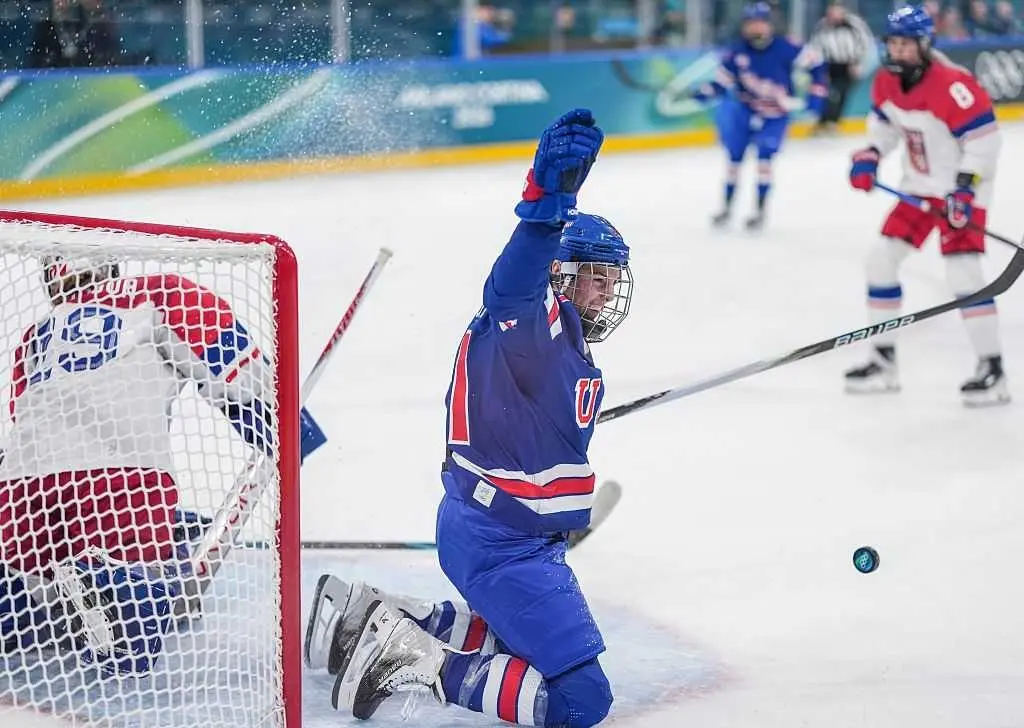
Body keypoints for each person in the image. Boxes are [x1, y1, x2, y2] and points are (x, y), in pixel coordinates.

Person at [304, 109, 632, 727]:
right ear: (559, 275)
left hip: (496, 532)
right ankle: (413, 657)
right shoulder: (530, 323)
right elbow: (508, 288)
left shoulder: (557, 343)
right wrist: (546, 204)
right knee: (580, 701)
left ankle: (369, 615)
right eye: (595, 278)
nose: (606, 294)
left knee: (516, 646)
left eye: (612, 281)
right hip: (500, 543)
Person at [0, 255, 324, 675]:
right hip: (120, 484)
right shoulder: (159, 294)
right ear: (109, 266)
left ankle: (35, 598)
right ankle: (114, 589)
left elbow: (19, 420)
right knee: (137, 638)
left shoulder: (33, 337)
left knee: (20, 606)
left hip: (22, 493)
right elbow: (233, 368)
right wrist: (291, 431)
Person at [844, 5, 1007, 406]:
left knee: (964, 275)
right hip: (917, 189)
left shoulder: (952, 85)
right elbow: (884, 126)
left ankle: (993, 370)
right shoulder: (885, 81)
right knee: (880, 260)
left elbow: (985, 141)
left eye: (905, 44)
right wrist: (871, 154)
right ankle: (883, 362)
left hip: (959, 191)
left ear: (924, 43)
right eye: (893, 43)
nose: (897, 51)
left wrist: (965, 189)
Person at [692, 1, 828, 230]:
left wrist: (816, 96)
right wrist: (705, 93)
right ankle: (726, 208)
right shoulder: (737, 52)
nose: (756, 29)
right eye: (751, 24)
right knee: (734, 160)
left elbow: (817, 66)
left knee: (765, 161)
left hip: (775, 114)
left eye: (760, 23)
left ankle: (760, 211)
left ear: (769, 25)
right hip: (744, 112)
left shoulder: (786, 48)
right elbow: (722, 82)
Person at [809, 0, 873, 134]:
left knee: (840, 93)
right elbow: (816, 45)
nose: (834, 14)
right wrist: (820, 67)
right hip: (829, 65)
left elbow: (865, 42)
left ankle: (832, 122)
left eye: (837, 11)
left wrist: (858, 63)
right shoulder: (823, 25)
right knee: (827, 94)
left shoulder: (854, 24)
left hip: (849, 64)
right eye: (831, 11)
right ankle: (823, 122)